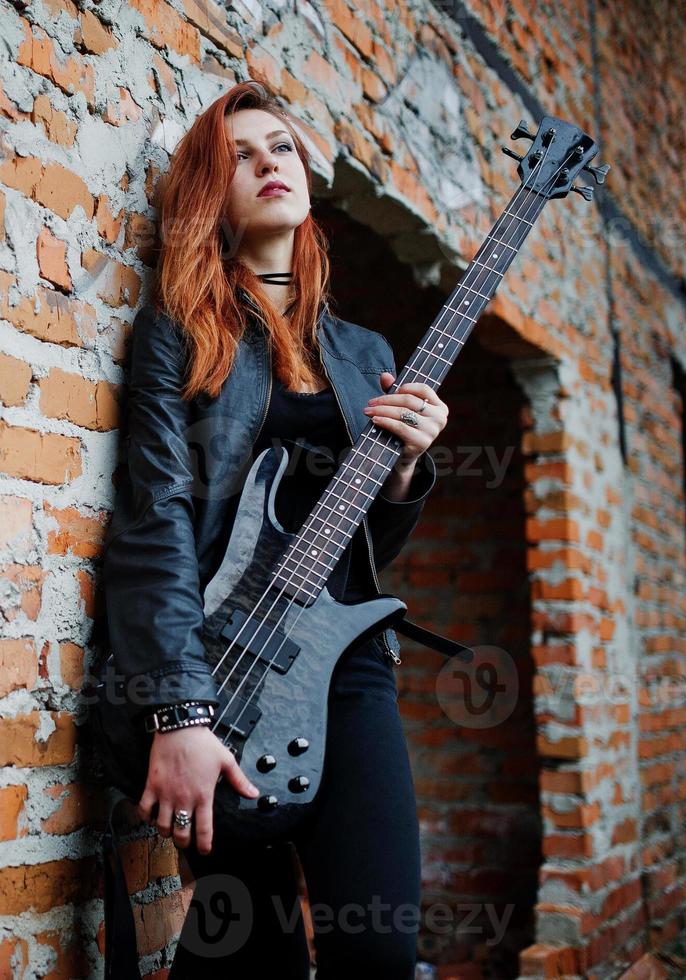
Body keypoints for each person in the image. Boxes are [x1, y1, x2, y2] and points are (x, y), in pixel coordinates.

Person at [98, 81, 450, 977]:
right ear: (209, 193)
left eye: (282, 147)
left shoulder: (364, 351)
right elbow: (155, 521)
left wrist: (405, 467)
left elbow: (361, 553)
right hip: (221, 664)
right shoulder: (181, 330)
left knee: (378, 950)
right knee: (245, 954)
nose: (267, 165)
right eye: (239, 156)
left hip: (345, 664)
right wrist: (178, 711)